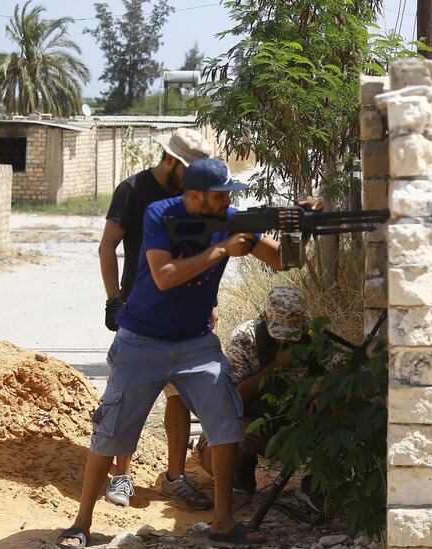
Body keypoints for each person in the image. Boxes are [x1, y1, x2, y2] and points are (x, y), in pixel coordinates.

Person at [56, 158, 283, 548]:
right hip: (141, 340)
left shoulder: (229, 217)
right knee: (109, 434)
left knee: (226, 425)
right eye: (219, 195)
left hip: (196, 341)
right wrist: (222, 250)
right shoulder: (160, 213)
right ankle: (81, 524)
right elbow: (164, 276)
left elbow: (280, 260)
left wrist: (301, 227)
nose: (227, 201)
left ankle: (223, 522)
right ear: (194, 195)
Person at [99, 127, 213, 510]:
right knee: (130, 398)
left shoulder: (192, 195)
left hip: (185, 318)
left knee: (178, 399)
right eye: (191, 169)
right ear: (172, 160)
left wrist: (206, 302)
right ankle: (121, 475)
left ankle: (174, 477)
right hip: (140, 315)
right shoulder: (132, 190)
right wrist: (114, 300)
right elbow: (107, 246)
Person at [198, 286, 326, 514]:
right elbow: (232, 398)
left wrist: (322, 385)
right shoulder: (245, 338)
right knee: (214, 456)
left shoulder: (313, 337)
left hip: (298, 424)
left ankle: (314, 485)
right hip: (254, 420)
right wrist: (276, 366)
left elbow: (336, 376)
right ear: (265, 317)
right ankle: (241, 472)